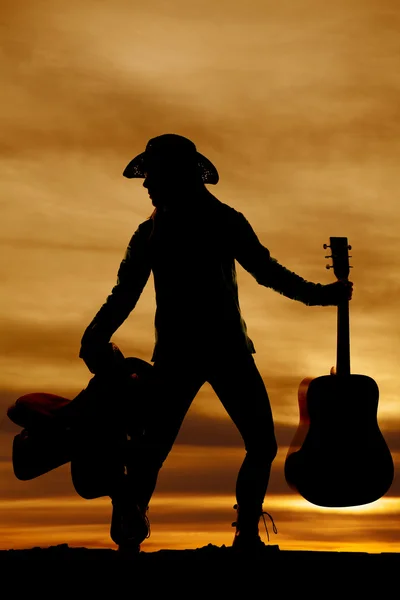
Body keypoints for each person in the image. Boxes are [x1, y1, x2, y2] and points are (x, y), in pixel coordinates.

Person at [79, 133, 353, 554]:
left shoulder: (187, 227)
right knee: (181, 447)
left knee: (214, 445)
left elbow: (265, 272)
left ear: (173, 176)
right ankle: (153, 531)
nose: (146, 184)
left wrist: (321, 294)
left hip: (203, 350)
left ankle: (214, 532)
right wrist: (96, 332)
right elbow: (126, 293)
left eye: (151, 175)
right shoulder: (180, 227)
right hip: (210, 349)